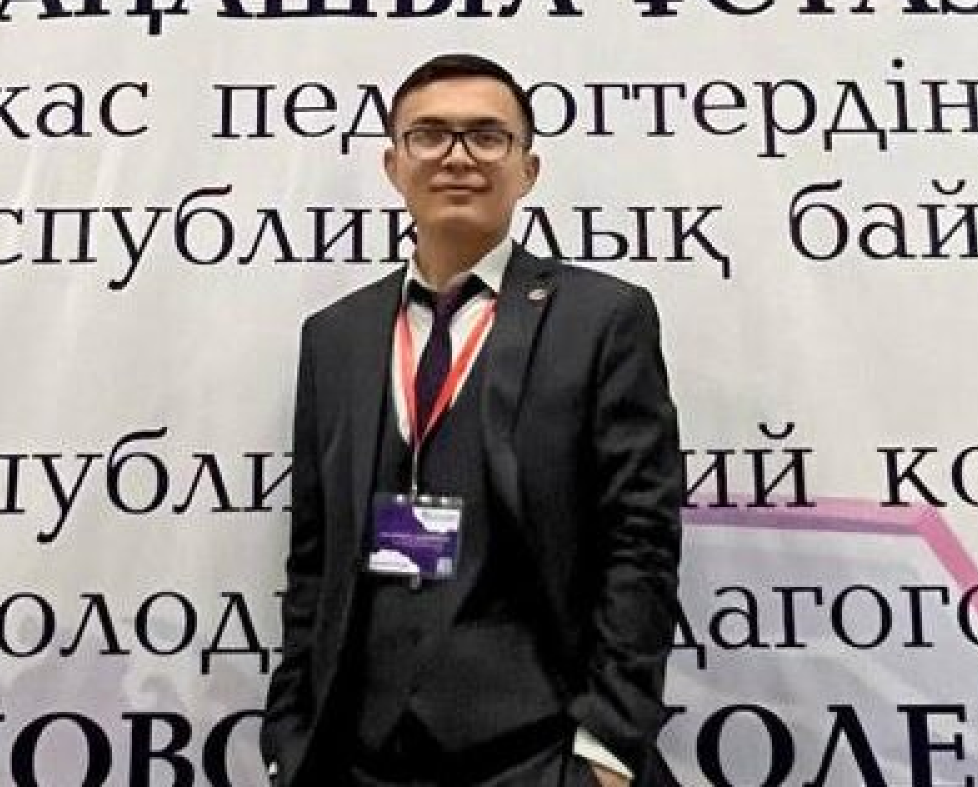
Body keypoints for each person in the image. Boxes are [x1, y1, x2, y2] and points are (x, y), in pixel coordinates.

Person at [262, 53, 683, 787]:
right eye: (429, 135)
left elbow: (640, 541)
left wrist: (608, 749)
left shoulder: (603, 319)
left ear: (528, 169)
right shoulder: (334, 336)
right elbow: (313, 555)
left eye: (488, 136)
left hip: (540, 753)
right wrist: (290, 737)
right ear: (393, 164)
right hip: (358, 758)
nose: (457, 156)